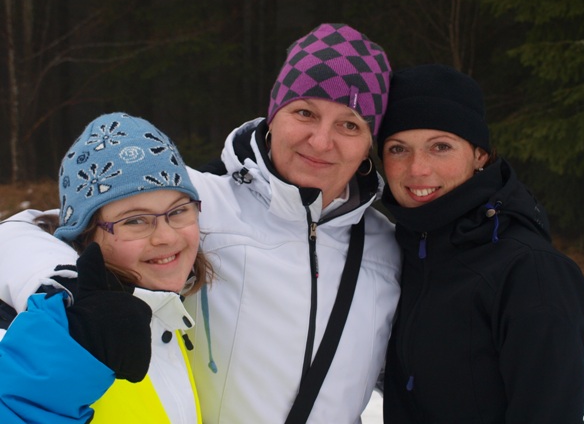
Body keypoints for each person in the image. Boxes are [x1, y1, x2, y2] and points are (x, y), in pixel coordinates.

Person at [0, 23, 401, 423]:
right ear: (273, 116)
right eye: (305, 113)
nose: (321, 140)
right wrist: (67, 290)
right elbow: (25, 231)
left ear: (369, 143)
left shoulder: (387, 248)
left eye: (350, 124)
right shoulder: (195, 201)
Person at [377, 64, 584, 423]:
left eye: (441, 147)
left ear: (480, 154)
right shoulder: (400, 251)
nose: (417, 169)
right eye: (398, 148)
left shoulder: (530, 270)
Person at [0, 112, 214, 423]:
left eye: (179, 211)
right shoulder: (40, 331)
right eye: (135, 220)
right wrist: (69, 352)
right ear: (85, 235)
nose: (166, 237)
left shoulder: (173, 311)